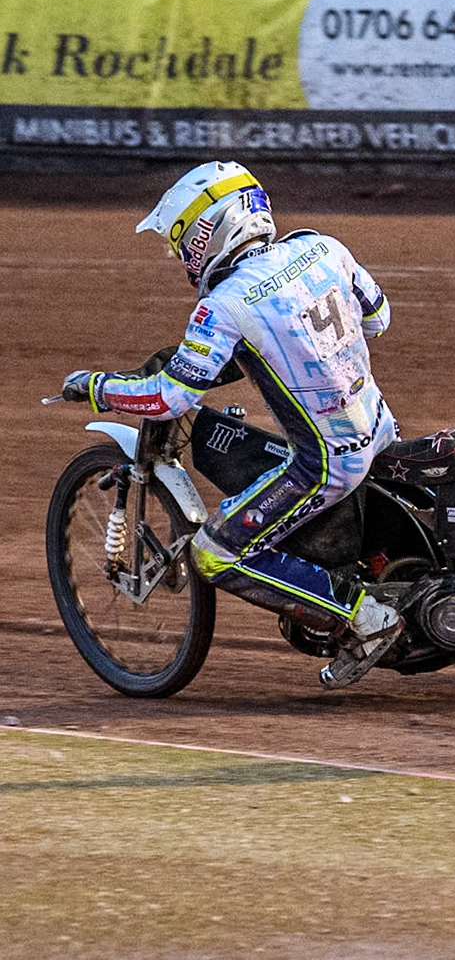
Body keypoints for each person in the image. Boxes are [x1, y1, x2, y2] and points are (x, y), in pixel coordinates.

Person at [62, 161, 404, 687]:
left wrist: (95, 387)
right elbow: (377, 317)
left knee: (214, 552)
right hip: (381, 428)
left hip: (329, 464)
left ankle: (363, 619)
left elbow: (170, 397)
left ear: (211, 229)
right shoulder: (324, 247)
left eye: (182, 242)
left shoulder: (223, 305)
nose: (181, 258)